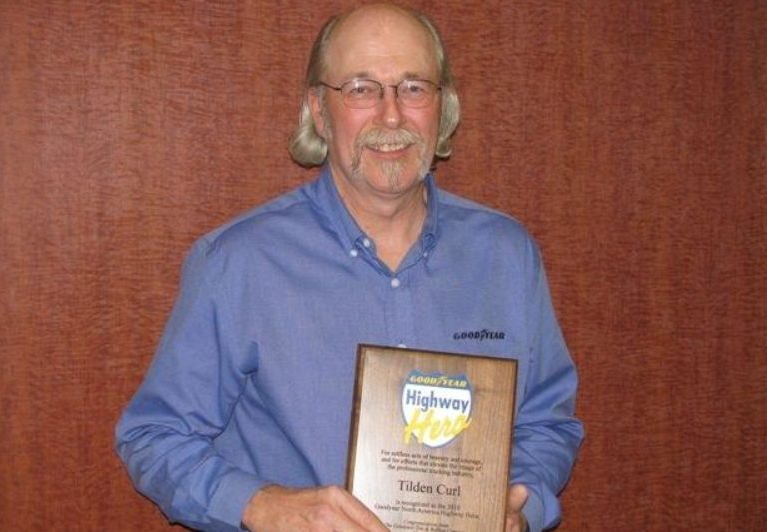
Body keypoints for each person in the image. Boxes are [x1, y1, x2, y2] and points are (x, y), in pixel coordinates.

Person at [115, 3, 584, 531]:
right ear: (319, 110)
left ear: (443, 108)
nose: (391, 116)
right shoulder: (240, 262)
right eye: (361, 88)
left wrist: (521, 507)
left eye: (413, 88)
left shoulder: (505, 256)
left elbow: (547, 422)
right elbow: (153, 437)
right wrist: (265, 506)